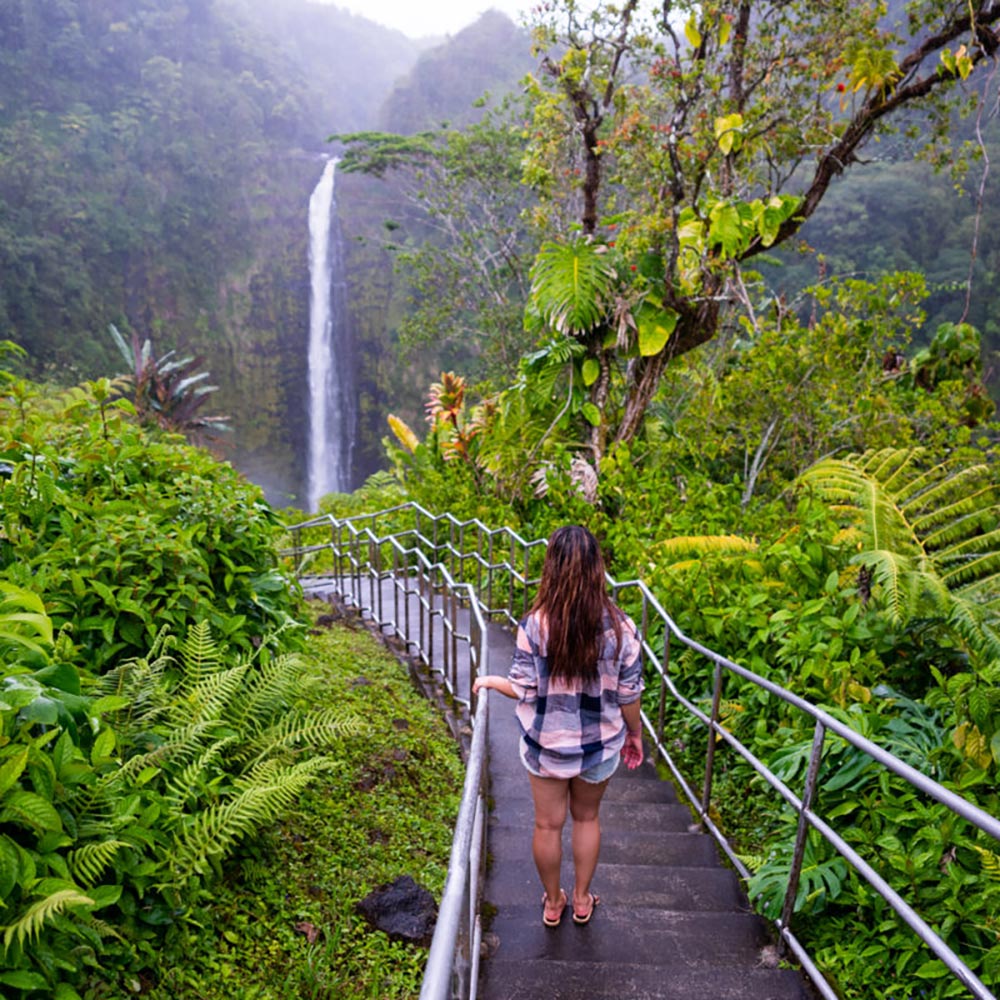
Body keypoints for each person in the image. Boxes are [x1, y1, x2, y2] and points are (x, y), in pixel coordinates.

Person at [472, 525, 645, 928]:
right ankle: (582, 899)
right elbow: (629, 694)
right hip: (599, 746)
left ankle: (553, 903)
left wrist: (492, 681)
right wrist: (635, 734)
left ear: (551, 567)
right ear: (597, 569)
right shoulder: (621, 628)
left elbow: (522, 687)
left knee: (547, 825)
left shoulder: (535, 625)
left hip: (546, 746)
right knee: (587, 819)